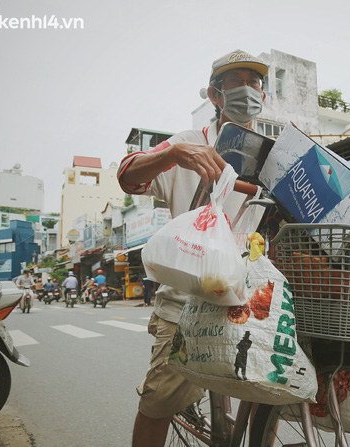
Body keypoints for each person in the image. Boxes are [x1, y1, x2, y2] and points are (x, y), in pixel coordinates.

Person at [117, 49, 268, 447]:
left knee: (266, 401)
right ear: (215, 96)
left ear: (263, 97)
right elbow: (129, 176)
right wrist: (171, 154)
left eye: (255, 82)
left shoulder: (271, 155)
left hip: (247, 299)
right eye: (236, 81)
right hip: (186, 302)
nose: (247, 90)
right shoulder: (188, 143)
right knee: (159, 403)